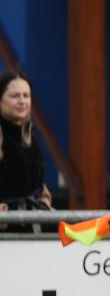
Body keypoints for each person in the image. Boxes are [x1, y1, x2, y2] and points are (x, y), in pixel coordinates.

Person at [0, 71, 52, 233]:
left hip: (34, 228)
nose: (22, 101)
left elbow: (39, 187)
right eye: (15, 96)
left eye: (26, 95)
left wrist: (45, 204)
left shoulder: (31, 139)